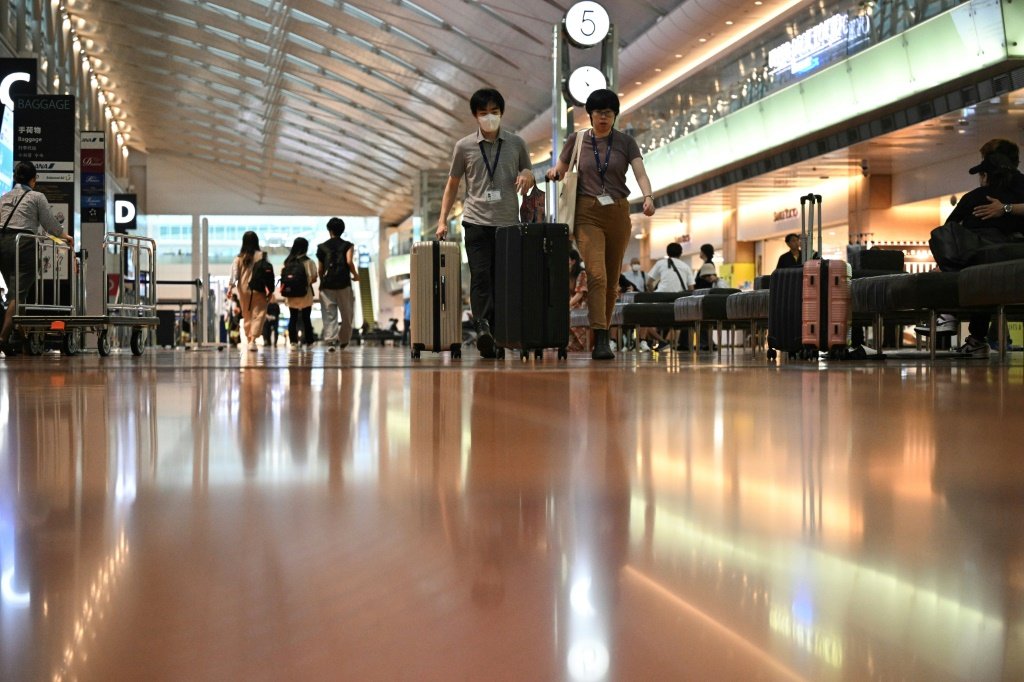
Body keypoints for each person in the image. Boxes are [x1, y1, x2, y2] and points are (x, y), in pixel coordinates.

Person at [546, 89, 657, 360]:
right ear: (590, 114)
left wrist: (649, 197)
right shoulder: (578, 139)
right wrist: (553, 173)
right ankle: (602, 338)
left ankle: (604, 331)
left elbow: (640, 172)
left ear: (615, 115)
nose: (603, 118)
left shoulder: (626, 142)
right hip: (587, 212)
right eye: (598, 113)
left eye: (608, 113)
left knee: (611, 281)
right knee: (596, 274)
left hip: (618, 211)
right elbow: (561, 168)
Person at [436, 88, 535, 358]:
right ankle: (482, 328)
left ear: (502, 113)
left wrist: (527, 175)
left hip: (507, 225)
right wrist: (442, 220)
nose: (489, 117)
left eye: (494, 112)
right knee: (481, 276)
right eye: (483, 113)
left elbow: (528, 170)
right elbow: (453, 183)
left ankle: (499, 333)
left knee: (503, 280)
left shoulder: (516, 143)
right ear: (475, 116)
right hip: (476, 221)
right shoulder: (464, 146)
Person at [938, 151, 1024, 357]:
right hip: (1016, 265)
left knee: (975, 275)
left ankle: (951, 317)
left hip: (978, 268)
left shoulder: (974, 197)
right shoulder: (1019, 196)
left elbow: (948, 229)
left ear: (985, 176)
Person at [0, 161, 72, 356]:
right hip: (23, 244)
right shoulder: (36, 196)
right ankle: (3, 337)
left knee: (15, 294)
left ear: (15, 178)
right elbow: (50, 224)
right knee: (18, 295)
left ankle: (23, 339)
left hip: (2, 245)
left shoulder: (4, 197)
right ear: (33, 180)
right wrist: (65, 237)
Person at [316, 217, 359, 350]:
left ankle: (331, 342)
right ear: (342, 230)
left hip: (327, 285)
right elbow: (349, 262)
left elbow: (320, 269)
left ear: (330, 230)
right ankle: (344, 339)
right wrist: (356, 275)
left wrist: (323, 281)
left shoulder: (322, 247)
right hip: (343, 283)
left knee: (329, 313)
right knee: (347, 314)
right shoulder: (348, 245)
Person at [228, 231, 271, 352]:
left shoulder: (239, 258)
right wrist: (270, 288)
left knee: (247, 315)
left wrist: (230, 288)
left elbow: (234, 274)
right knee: (259, 314)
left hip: (244, 290)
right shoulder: (262, 255)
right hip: (259, 289)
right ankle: (253, 340)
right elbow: (268, 272)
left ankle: (249, 338)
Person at [281, 237, 318, 349]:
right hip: (305, 294)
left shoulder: (287, 262)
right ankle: (309, 342)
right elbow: (314, 278)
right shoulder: (309, 262)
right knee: (306, 318)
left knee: (293, 318)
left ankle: (293, 342)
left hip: (291, 294)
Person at [568, 249, 588, 352]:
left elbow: (580, 294)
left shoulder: (582, 273)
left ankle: (581, 344)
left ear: (573, 261)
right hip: (572, 303)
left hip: (582, 305)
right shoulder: (567, 274)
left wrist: (567, 305)